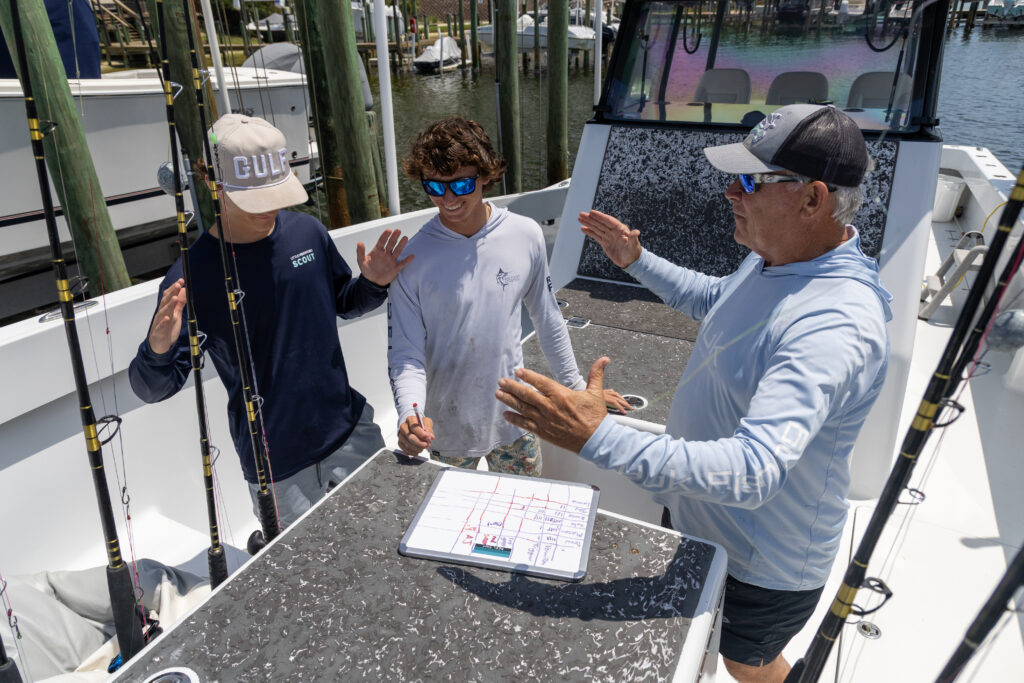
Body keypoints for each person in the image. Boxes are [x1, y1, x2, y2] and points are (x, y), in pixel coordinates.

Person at [494, 104, 892, 683]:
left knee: (743, 661)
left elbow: (754, 471)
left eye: (751, 180)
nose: (731, 191)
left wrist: (595, 436)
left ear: (813, 200)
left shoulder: (835, 321)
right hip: (699, 514)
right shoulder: (776, 257)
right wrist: (638, 261)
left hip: (762, 559)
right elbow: (717, 303)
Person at [129, 113, 412, 529]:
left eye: (277, 193)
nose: (271, 209)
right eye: (254, 199)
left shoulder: (309, 233)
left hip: (352, 430)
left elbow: (343, 302)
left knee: (389, 532)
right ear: (215, 184)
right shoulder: (190, 278)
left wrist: (372, 284)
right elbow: (152, 388)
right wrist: (155, 349)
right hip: (276, 467)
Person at [387, 116, 630, 475]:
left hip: (516, 420)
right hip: (445, 432)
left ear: (486, 176)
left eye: (462, 184)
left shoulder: (525, 234)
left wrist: (578, 391)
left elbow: (547, 319)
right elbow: (406, 356)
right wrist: (411, 414)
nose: (449, 199)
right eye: (435, 188)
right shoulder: (412, 258)